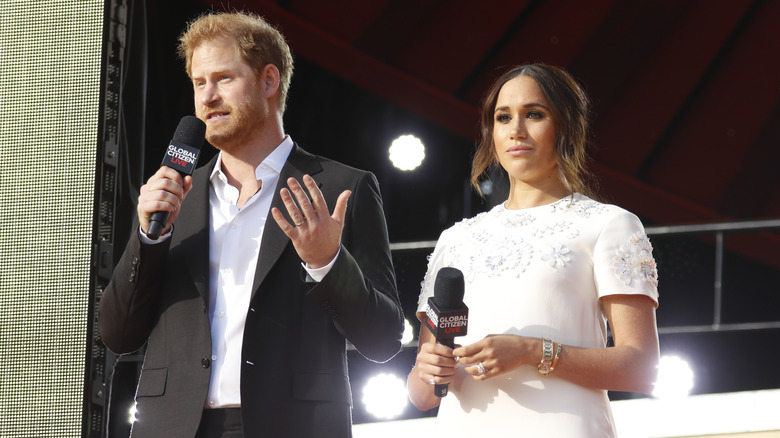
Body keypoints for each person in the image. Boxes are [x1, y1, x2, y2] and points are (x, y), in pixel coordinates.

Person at [99, 11, 404, 438]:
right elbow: (117, 334)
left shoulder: (341, 187)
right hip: (173, 426)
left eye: (223, 78)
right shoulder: (175, 198)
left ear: (268, 81)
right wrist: (150, 237)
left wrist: (327, 264)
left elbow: (384, 339)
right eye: (198, 83)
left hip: (293, 425)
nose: (207, 97)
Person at [407, 63, 660, 436]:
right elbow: (421, 395)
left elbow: (642, 368)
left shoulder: (608, 225)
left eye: (534, 114)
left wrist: (531, 351)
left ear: (566, 128)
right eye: (503, 117)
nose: (516, 131)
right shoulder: (456, 239)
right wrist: (428, 371)